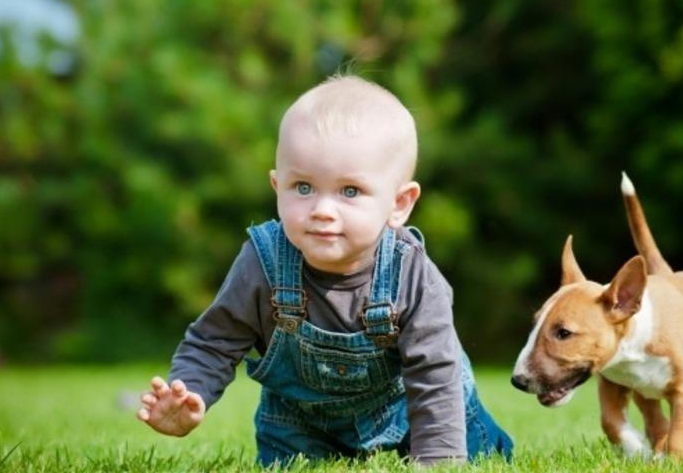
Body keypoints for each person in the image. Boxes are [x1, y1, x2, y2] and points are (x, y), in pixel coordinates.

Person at [136, 75, 513, 466]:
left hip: (408, 413)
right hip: (301, 425)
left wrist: (438, 459)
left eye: (350, 191)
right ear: (277, 186)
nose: (322, 210)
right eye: (303, 187)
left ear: (399, 203)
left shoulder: (411, 273)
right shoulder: (263, 262)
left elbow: (434, 372)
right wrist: (191, 391)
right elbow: (215, 340)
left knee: (478, 453)